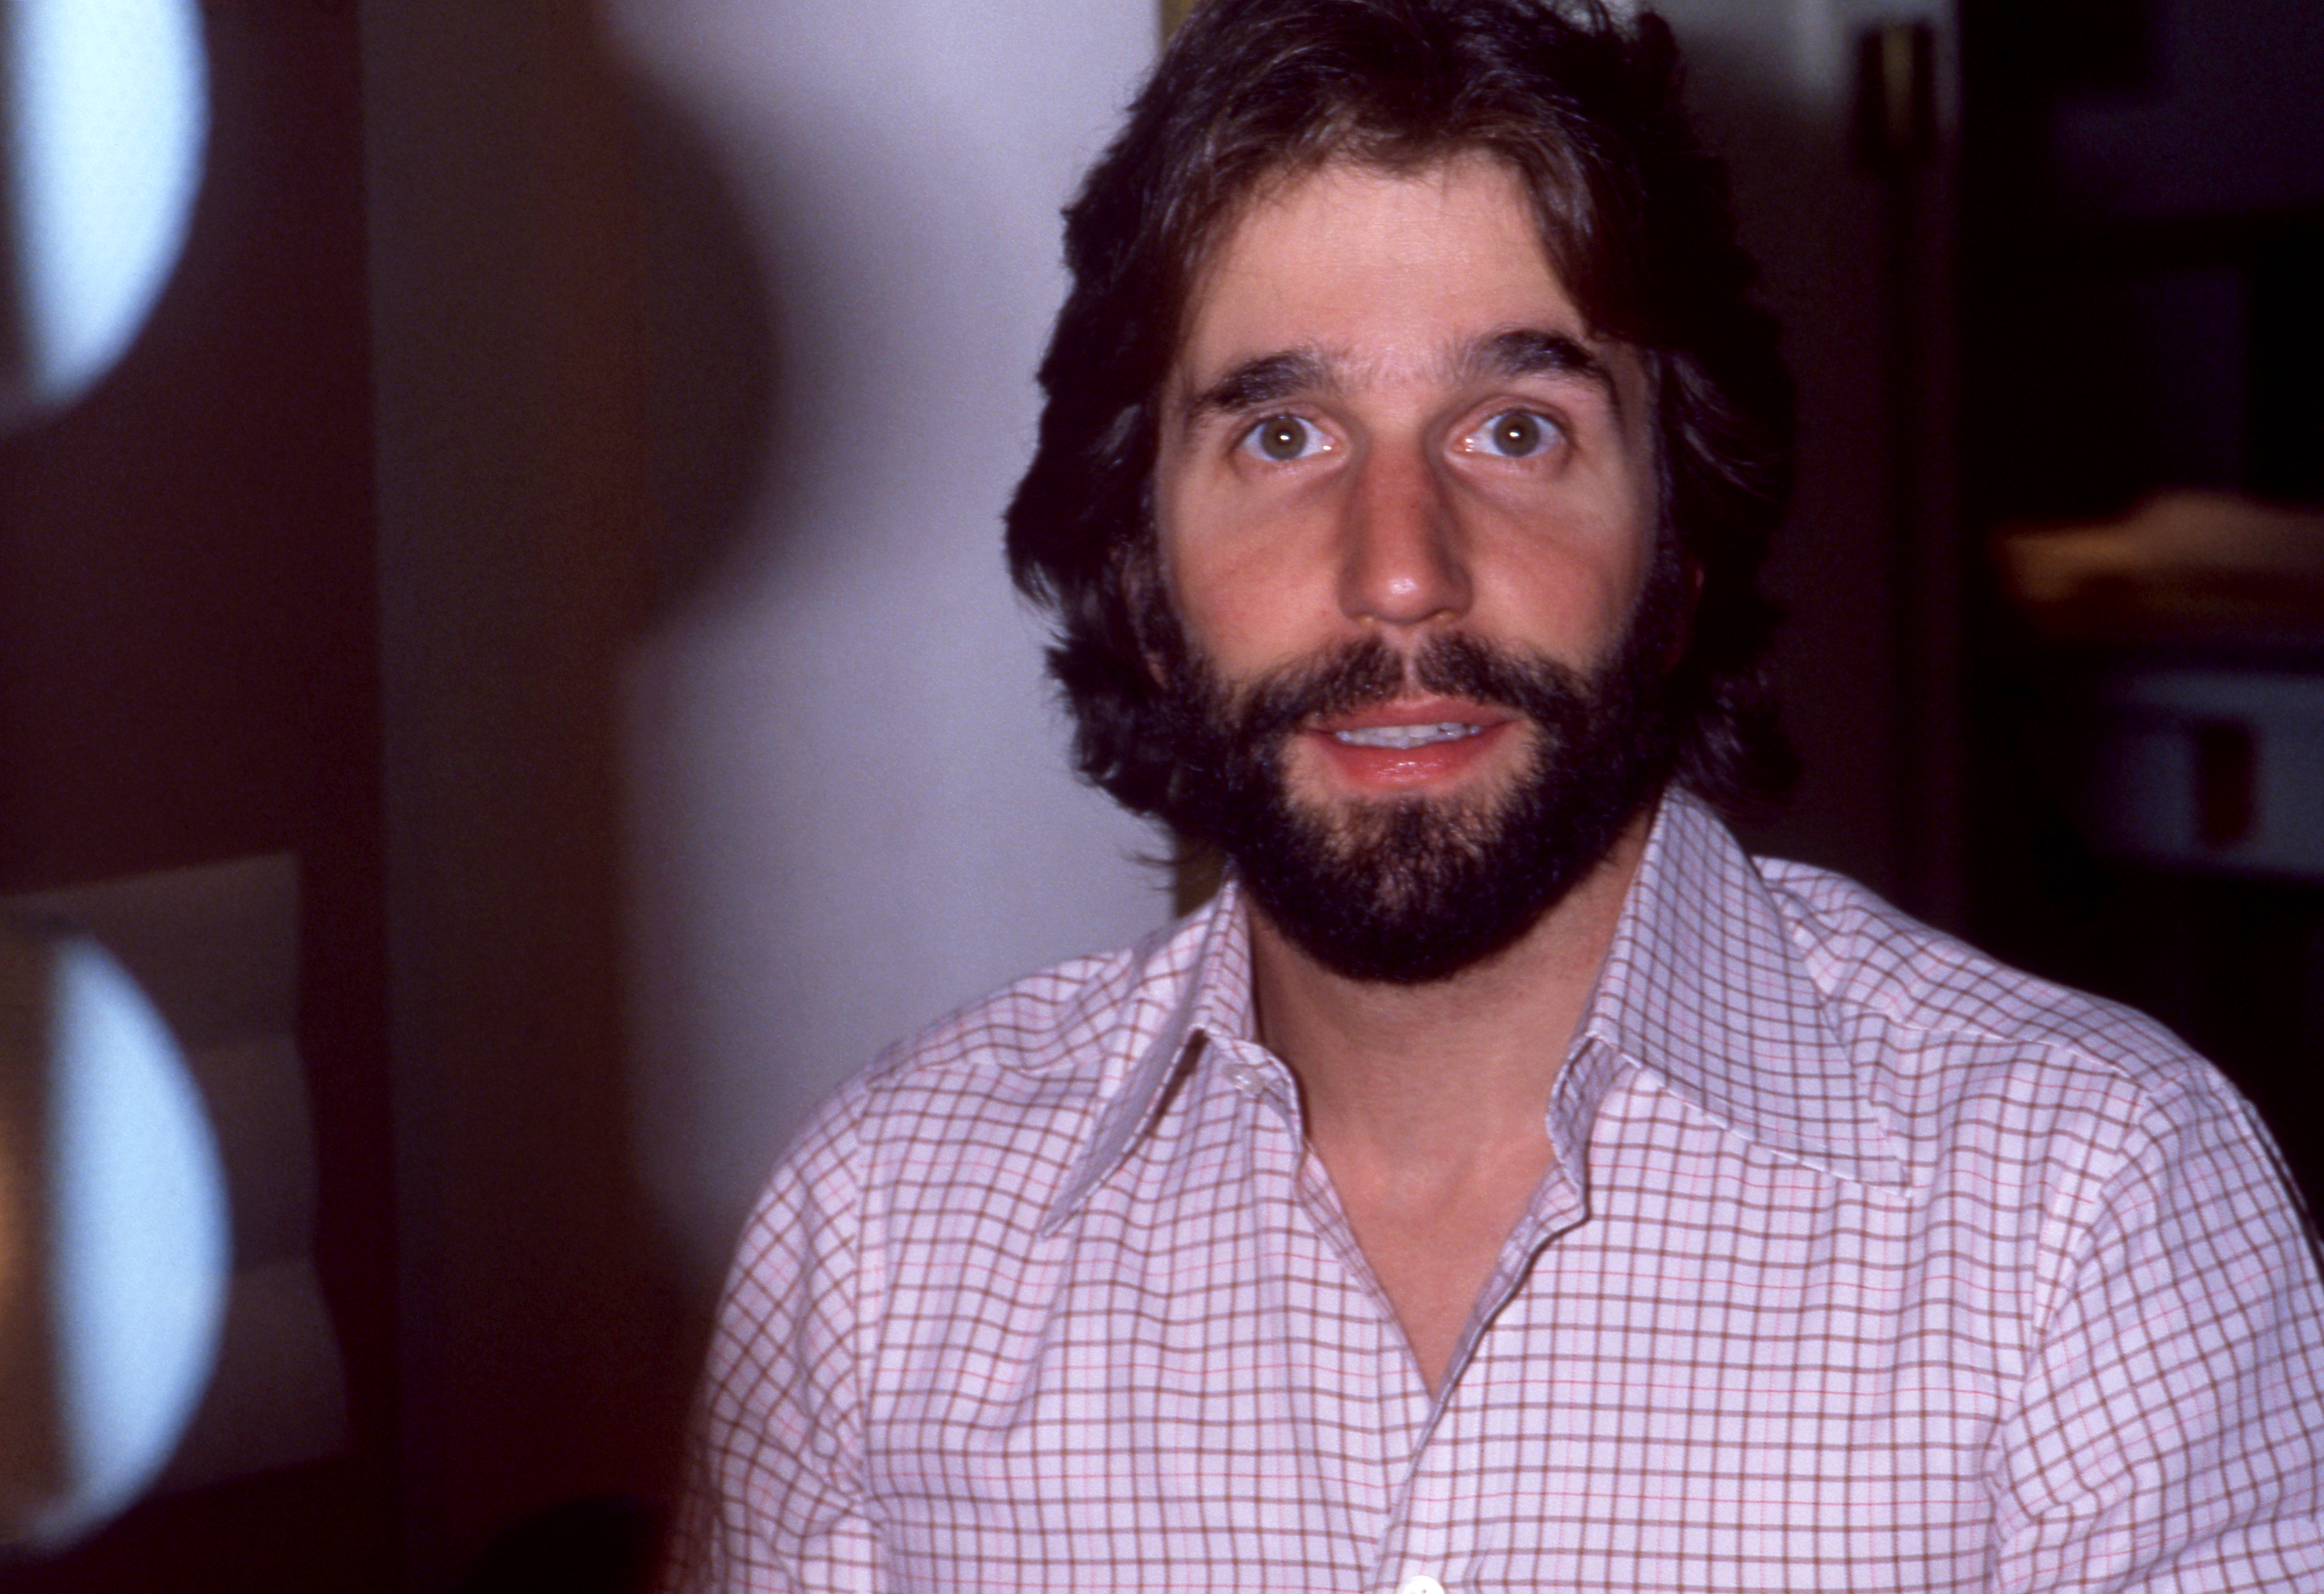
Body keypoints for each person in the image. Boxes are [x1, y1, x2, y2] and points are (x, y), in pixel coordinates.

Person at [662, 1, 2324, 1588]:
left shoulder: (2091, 1210)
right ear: (1142, 577)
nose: (1402, 577)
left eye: (1516, 433)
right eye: (1284, 437)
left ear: (1680, 556)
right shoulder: (881, 1229)